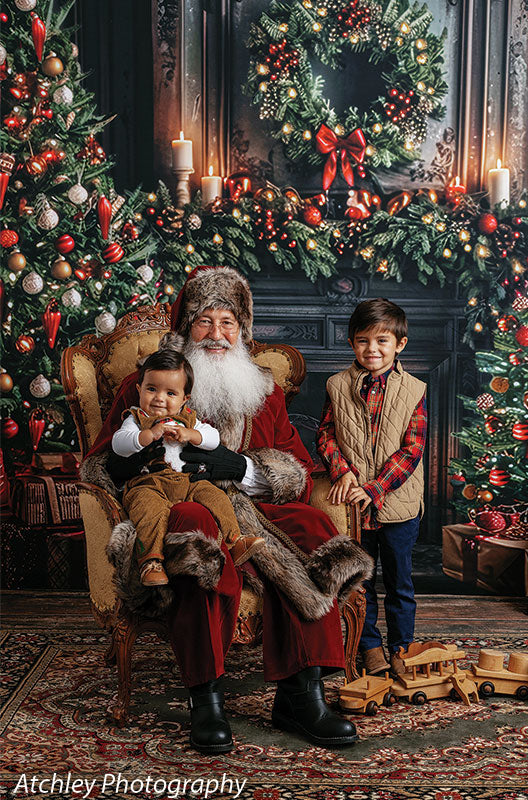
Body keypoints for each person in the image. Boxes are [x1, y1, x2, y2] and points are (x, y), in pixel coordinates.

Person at [82, 265, 373, 753]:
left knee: (314, 525)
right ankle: (207, 697)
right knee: (195, 532)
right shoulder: (147, 382)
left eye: (229, 322)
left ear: (243, 330)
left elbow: (297, 471)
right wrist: (136, 455)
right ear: (185, 327)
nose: (217, 334)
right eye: (204, 321)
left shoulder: (262, 388)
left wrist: (237, 465)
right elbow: (97, 465)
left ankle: (303, 695)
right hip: (172, 502)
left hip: (252, 505)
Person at [317, 298, 427, 678]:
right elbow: (326, 436)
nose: (372, 350)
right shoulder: (336, 385)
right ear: (351, 344)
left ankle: (402, 646)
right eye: (363, 341)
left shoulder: (414, 389)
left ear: (400, 344)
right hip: (353, 508)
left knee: (399, 582)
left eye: (382, 341)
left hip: (397, 505)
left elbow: (412, 449)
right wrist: (342, 471)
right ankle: (370, 646)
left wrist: (376, 488)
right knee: (359, 581)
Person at [112, 348, 263, 587]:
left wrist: (190, 434)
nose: (159, 398)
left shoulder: (189, 419)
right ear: (139, 389)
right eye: (151, 389)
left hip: (188, 481)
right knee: (149, 512)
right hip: (148, 483)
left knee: (216, 496)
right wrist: (148, 435)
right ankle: (150, 562)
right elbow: (119, 444)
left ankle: (235, 540)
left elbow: (212, 438)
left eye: (170, 393)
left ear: (185, 399)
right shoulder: (135, 419)